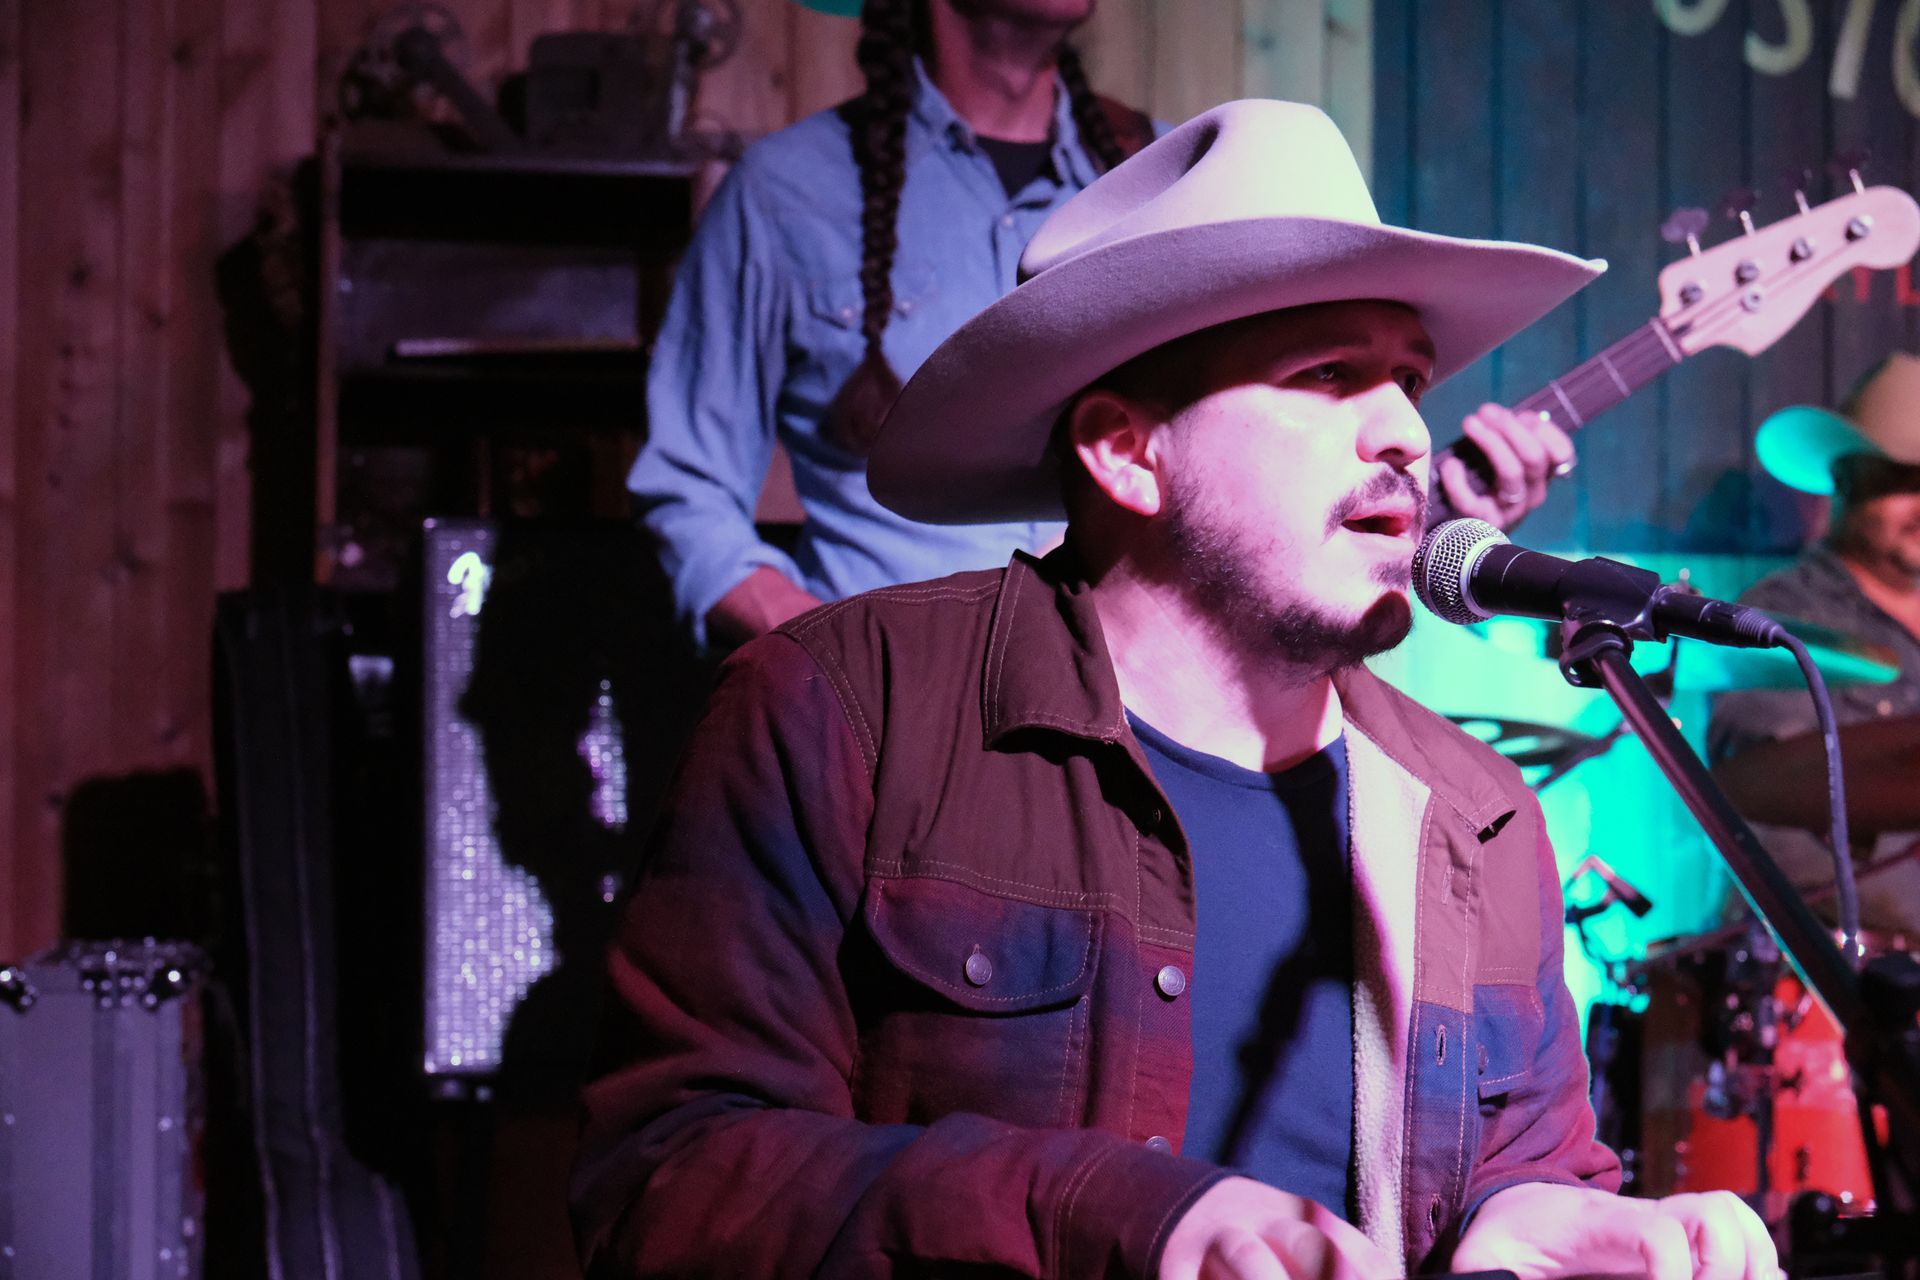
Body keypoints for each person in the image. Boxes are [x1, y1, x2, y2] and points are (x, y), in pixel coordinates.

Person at [574, 101, 1774, 1278]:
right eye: (1327, 373)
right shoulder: (839, 709)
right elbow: (669, 1179)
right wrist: (1119, 1216)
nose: (1407, 431)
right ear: (1126, 449)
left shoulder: (1480, 811)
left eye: (1410, 377)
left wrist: (1546, 1219)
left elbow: (1519, 1174)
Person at [631, 0, 1577, 651]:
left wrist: (1428, 525)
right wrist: (833, 665)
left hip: (1136, 725)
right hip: (886, 728)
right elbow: (689, 490)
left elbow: (1242, 492)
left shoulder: (1174, 182)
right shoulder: (786, 194)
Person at [1709, 352, 1920, 933]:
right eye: (1901, 481)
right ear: (1846, 480)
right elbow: (1766, 815)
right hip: (1834, 960)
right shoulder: (1783, 617)